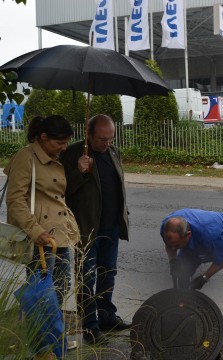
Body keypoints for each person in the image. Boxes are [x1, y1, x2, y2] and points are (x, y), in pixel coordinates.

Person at [4, 115, 80, 359]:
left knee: (58, 290)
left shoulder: (54, 158)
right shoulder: (27, 157)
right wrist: (37, 232)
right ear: (43, 137)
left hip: (60, 235)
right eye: (60, 142)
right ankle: (40, 347)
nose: (64, 147)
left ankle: (54, 338)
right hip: (40, 238)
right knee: (40, 295)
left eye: (67, 142)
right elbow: (15, 201)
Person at [60, 114, 131, 346]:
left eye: (111, 138)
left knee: (108, 273)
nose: (107, 143)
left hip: (111, 227)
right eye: (102, 139)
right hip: (86, 228)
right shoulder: (72, 153)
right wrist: (79, 171)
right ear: (88, 134)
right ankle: (90, 327)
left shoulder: (113, 152)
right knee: (86, 277)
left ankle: (107, 316)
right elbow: (62, 191)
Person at [160, 208, 223, 344]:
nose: (176, 248)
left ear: (188, 235)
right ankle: (184, 314)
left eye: (178, 245)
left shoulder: (209, 233)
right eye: (173, 245)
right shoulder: (166, 227)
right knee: (181, 274)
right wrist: (173, 261)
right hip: (196, 242)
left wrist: (203, 278)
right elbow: (171, 246)